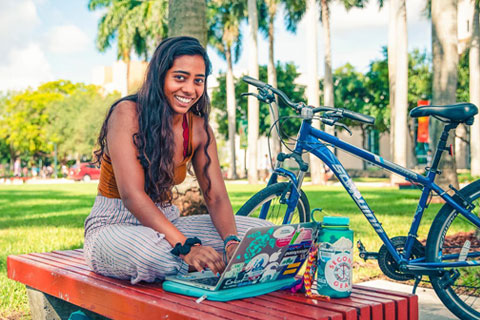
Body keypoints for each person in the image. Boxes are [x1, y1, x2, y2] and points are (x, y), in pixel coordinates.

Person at [83, 37, 272, 284]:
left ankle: (225, 268)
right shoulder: (126, 113)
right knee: (157, 256)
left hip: (167, 222)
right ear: (160, 76)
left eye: (198, 81)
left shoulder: (198, 128)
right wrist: (185, 248)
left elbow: (216, 196)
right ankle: (225, 273)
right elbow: (132, 195)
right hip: (112, 226)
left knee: (262, 235)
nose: (190, 89)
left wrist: (231, 243)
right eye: (180, 77)